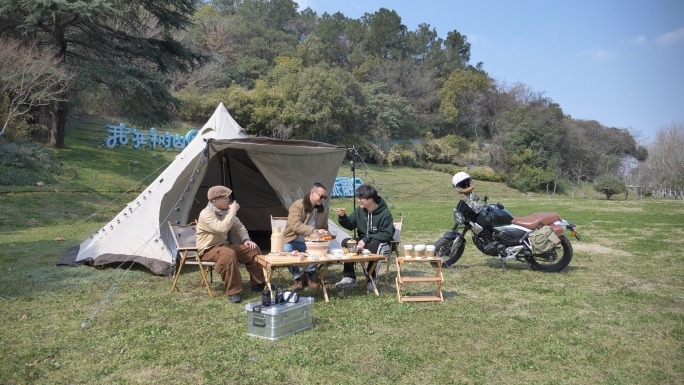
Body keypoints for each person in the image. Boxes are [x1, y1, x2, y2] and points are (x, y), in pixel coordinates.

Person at [196, 186, 266, 303]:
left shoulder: (226, 212)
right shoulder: (206, 214)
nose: (229, 200)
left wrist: (246, 239)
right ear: (215, 202)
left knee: (253, 249)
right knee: (228, 254)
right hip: (208, 249)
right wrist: (233, 211)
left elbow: (239, 227)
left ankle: (258, 283)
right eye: (225, 198)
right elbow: (221, 228)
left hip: (223, 246)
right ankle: (234, 292)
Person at [335, 184, 394, 291]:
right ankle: (349, 277)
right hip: (364, 242)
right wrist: (342, 217)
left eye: (361, 198)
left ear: (370, 199)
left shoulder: (385, 213)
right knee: (346, 242)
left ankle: (371, 279)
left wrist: (366, 238)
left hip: (383, 243)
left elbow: (387, 234)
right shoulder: (360, 210)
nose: (358, 200)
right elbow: (350, 224)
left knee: (376, 244)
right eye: (358, 198)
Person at [282, 182, 329, 291]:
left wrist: (325, 233)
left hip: (311, 243)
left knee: (326, 251)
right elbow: (295, 225)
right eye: (321, 196)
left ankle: (308, 275)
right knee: (286, 250)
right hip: (292, 240)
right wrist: (315, 231)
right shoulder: (297, 205)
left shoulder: (323, 211)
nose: (322, 199)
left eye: (324, 197)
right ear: (312, 193)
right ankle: (297, 277)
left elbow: (325, 228)